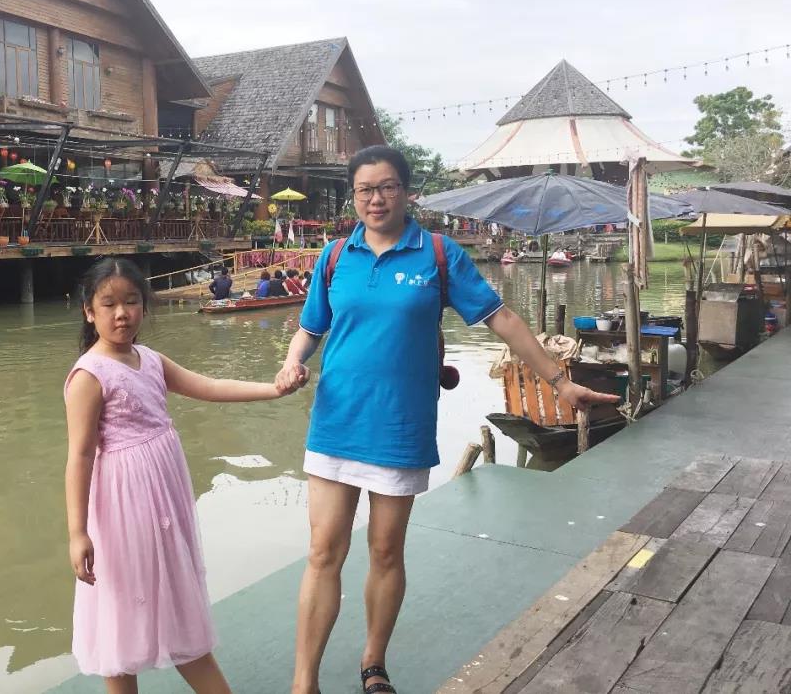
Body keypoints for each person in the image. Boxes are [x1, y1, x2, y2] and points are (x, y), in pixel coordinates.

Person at [274, 145, 618, 694]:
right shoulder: (336, 255)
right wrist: (293, 361)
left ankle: (373, 663)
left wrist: (559, 381)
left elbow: (502, 319)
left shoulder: (437, 254)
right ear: (354, 197)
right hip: (337, 420)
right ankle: (303, 682)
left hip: (400, 425)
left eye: (387, 187)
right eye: (365, 190)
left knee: (385, 550)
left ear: (406, 192)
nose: (376, 199)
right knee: (322, 553)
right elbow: (311, 328)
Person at [65, 258, 304, 693]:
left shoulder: (150, 360)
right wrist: (77, 532)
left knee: (175, 595)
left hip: (165, 497)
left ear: (144, 306)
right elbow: (79, 456)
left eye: (131, 302)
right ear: (89, 311)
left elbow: (208, 386)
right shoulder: (89, 375)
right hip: (123, 505)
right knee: (122, 609)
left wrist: (272, 389)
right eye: (109, 304)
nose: (122, 314)